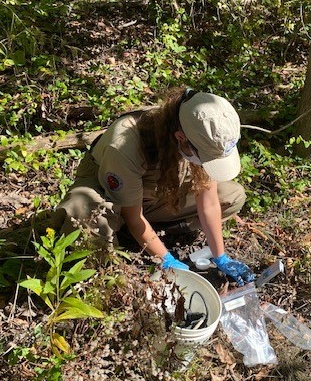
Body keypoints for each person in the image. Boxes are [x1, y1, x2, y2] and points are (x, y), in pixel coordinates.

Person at [53, 88, 255, 286]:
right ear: (180, 139)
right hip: (110, 194)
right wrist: (166, 259)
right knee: (82, 209)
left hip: (149, 196)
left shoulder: (197, 133)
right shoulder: (125, 144)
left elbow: (209, 202)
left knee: (231, 195)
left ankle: (140, 234)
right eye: (206, 158)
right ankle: (108, 251)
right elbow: (133, 216)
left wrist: (221, 257)